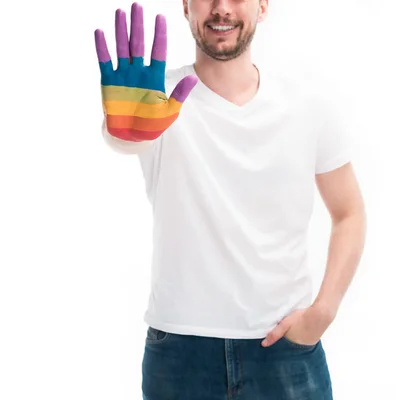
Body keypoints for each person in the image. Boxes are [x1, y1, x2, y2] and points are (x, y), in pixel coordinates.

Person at [94, 1, 366, 398]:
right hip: (179, 355)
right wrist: (124, 130)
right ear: (186, 7)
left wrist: (323, 311)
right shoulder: (155, 99)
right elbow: (123, 138)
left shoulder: (308, 106)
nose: (221, 8)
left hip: (285, 349)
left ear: (262, 6)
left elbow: (349, 212)